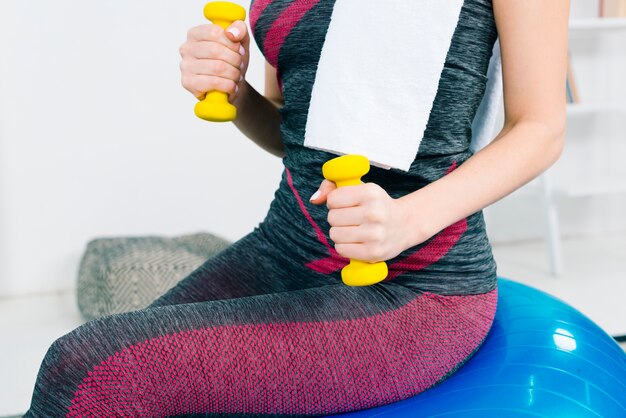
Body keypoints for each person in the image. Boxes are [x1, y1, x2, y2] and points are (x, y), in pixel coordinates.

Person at [23, 0, 570, 416]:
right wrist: (232, 92)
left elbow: (540, 129)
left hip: (415, 284)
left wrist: (409, 219)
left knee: (84, 366)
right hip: (282, 247)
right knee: (100, 373)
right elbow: (294, 131)